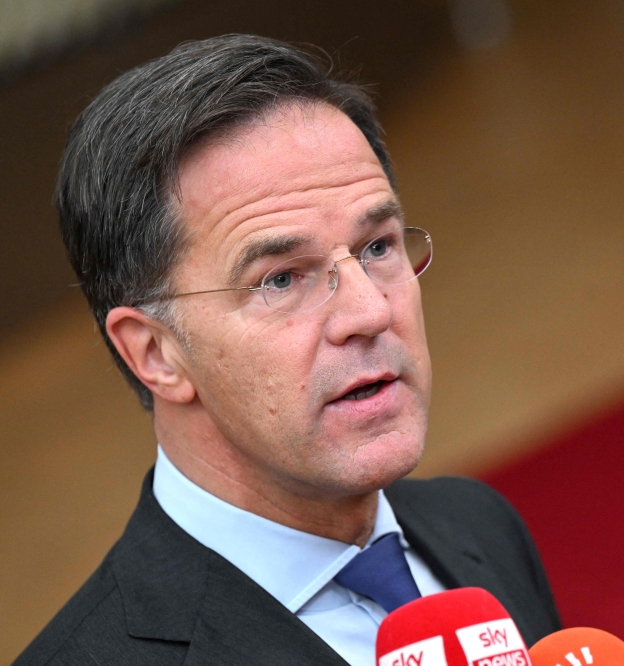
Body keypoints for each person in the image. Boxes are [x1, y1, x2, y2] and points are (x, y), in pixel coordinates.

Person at [15, 34, 560, 666]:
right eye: (281, 279)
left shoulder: (479, 525)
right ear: (156, 354)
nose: (371, 311)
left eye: (378, 247)